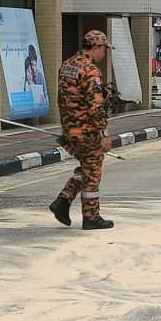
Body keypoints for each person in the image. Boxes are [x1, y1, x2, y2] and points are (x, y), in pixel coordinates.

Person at [48, 30, 115, 230]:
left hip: (70, 129)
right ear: (96, 47)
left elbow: (62, 99)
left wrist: (66, 128)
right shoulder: (90, 71)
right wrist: (103, 134)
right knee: (93, 171)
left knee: (86, 167)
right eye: (104, 49)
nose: (105, 54)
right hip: (88, 131)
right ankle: (91, 217)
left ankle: (63, 201)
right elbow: (96, 106)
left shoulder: (66, 65)